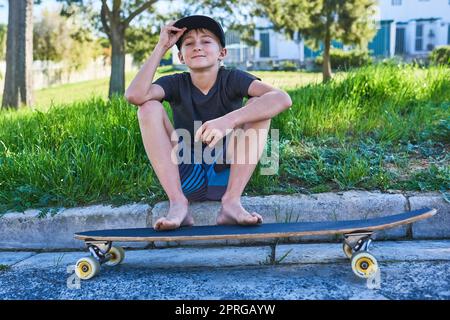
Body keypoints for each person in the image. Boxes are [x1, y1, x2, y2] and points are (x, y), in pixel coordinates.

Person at [125, 15, 292, 230]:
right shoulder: (176, 83)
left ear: (222, 53)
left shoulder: (233, 79)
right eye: (189, 43)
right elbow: (134, 95)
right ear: (181, 57)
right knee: (148, 107)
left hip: (227, 172)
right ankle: (177, 204)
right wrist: (160, 47)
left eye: (206, 41)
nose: (197, 47)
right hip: (187, 176)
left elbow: (282, 98)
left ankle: (231, 203)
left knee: (260, 104)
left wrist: (228, 121)